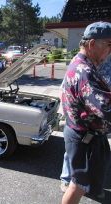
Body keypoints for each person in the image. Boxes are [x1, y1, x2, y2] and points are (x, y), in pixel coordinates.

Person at [61, 21, 111, 204]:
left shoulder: (79, 62)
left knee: (81, 185)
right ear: (92, 44)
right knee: (78, 186)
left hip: (82, 134)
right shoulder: (85, 71)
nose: (110, 51)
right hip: (85, 138)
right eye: (109, 45)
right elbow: (107, 108)